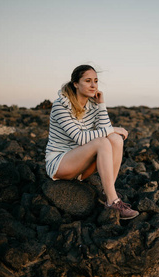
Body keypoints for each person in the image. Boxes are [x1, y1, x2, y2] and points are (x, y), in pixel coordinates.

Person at [45, 65, 139, 220]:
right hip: (60, 163)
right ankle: (113, 201)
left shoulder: (93, 105)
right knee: (103, 141)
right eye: (88, 81)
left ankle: (107, 193)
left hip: (81, 162)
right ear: (76, 83)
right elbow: (80, 138)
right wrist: (114, 128)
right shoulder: (60, 105)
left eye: (95, 81)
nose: (93, 85)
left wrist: (101, 105)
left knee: (115, 139)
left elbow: (105, 129)